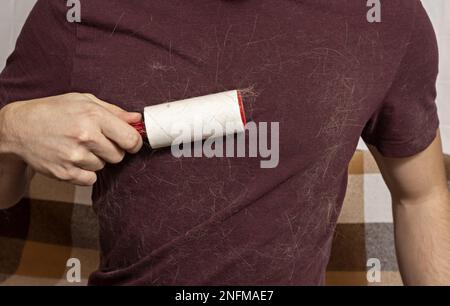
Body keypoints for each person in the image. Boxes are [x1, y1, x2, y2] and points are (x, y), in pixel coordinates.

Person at [0, 0, 449, 285]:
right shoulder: (76, 10)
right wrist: (10, 131)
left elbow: (422, 196)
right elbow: (5, 191)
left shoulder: (385, 16)